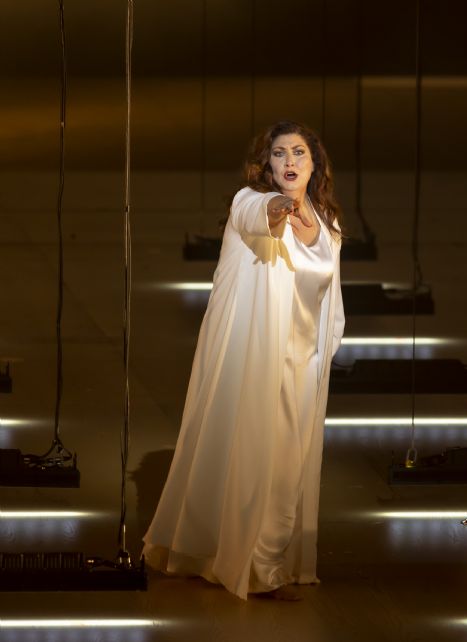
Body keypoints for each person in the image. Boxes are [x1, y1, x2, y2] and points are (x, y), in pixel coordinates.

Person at [142, 120, 344, 601]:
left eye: (299, 152)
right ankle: (255, 564)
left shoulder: (327, 223)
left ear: (314, 163)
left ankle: (272, 558)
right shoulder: (248, 202)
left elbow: (330, 295)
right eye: (279, 153)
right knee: (255, 453)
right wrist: (278, 206)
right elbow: (261, 215)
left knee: (290, 460)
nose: (290, 161)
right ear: (266, 165)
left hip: (304, 360)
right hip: (257, 355)